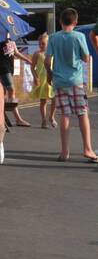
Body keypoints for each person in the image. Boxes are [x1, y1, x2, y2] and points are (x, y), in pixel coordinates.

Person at [46, 9, 97, 162]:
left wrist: (50, 74)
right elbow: (86, 58)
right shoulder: (79, 36)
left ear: (60, 21)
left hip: (59, 81)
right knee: (82, 113)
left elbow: (47, 60)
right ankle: (87, 149)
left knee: (64, 115)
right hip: (76, 81)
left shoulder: (53, 37)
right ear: (75, 22)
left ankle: (64, 152)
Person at [0, 35, 30, 126]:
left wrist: (27, 60)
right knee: (11, 90)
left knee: (3, 92)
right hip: (3, 68)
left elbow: (16, 53)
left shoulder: (12, 41)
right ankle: (18, 118)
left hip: (10, 68)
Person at [27, 33, 56, 128]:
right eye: (39, 44)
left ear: (48, 43)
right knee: (43, 101)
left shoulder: (52, 53)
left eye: (43, 43)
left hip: (52, 80)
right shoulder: (37, 54)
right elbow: (32, 67)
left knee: (55, 99)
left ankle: (51, 117)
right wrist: (35, 77)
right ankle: (43, 121)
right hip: (42, 80)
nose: (41, 45)